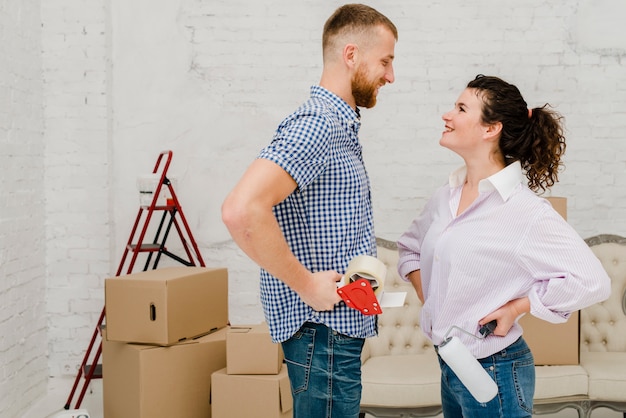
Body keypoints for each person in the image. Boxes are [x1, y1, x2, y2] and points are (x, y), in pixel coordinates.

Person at [397, 74, 611, 418]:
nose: (447, 115)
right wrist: (433, 301)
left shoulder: (523, 211)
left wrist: (519, 306)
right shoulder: (444, 197)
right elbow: (409, 250)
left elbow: (593, 280)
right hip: (451, 362)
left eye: (461, 108)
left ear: (489, 129)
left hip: (496, 367)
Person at [221, 4, 397, 418]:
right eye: (385, 61)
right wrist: (305, 284)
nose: (391, 75)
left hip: (332, 334)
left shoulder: (339, 126)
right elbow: (240, 210)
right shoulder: (317, 124)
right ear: (350, 55)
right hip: (324, 335)